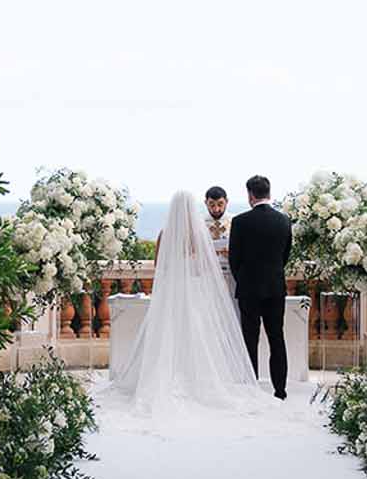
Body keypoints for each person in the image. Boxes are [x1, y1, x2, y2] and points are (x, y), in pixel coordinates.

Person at [108, 189, 261, 417]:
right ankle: (200, 378)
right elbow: (205, 268)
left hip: (172, 293)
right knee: (198, 334)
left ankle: (165, 377)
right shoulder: (199, 235)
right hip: (196, 292)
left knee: (168, 334)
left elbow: (159, 268)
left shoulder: (163, 234)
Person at [228, 174, 293, 399]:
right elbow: (285, 255)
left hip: (248, 289)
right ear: (269, 193)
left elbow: (234, 260)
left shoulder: (239, 221)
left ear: (250, 195)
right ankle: (280, 390)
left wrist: (244, 279)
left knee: (249, 339)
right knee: (277, 338)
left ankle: (251, 388)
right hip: (275, 288)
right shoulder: (284, 220)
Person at [203, 185, 233, 293]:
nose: (216, 209)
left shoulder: (235, 221)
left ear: (226, 202)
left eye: (220, 204)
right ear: (205, 203)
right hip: (206, 273)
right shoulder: (199, 223)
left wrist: (232, 253)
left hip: (230, 272)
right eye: (212, 205)